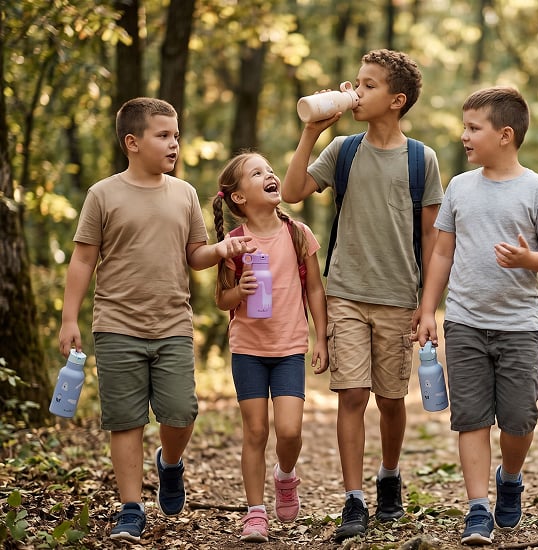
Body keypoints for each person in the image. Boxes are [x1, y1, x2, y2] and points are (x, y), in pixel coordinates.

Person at [57, 97, 255, 543]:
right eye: (163, 136)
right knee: (125, 420)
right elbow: (83, 259)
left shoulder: (183, 194)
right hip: (116, 325)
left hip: (172, 325)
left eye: (177, 136)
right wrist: (69, 318)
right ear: (132, 142)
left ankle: (169, 464)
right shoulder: (103, 194)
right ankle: (131, 508)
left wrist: (222, 250)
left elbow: (196, 255)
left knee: (181, 411)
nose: (174, 144)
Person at [281, 49, 444, 542]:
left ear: (396, 101)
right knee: (351, 395)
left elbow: (433, 238)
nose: (356, 91)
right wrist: (312, 131)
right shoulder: (343, 150)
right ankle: (354, 498)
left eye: (367, 85)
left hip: (398, 297)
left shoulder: (422, 160)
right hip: (346, 294)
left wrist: (427, 305)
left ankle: (389, 476)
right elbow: (291, 192)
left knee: (391, 400)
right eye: (356, 82)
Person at [414, 86, 538, 545]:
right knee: (471, 418)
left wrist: (529, 261)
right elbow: (442, 251)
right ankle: (478, 507)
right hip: (464, 322)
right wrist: (428, 310)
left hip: (518, 326)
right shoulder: (460, 187)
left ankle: (510, 477)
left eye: (472, 127)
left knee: (519, 421)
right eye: (464, 126)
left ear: (505, 135)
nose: (464, 136)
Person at [212, 151, 328, 542]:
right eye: (257, 173)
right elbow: (222, 300)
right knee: (256, 430)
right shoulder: (234, 243)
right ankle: (255, 512)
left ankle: (285, 475)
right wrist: (239, 291)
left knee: (290, 431)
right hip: (248, 348)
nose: (270, 175)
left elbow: (314, 288)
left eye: (270, 170)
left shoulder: (298, 234)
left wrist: (321, 337)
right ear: (239, 197)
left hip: (290, 346)